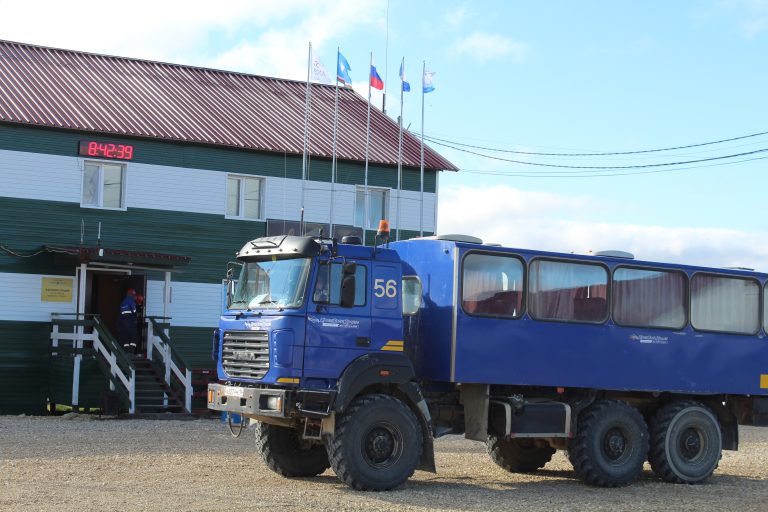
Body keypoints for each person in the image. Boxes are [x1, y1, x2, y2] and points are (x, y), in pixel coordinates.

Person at [118, 288, 138, 354]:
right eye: (134, 295)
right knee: (134, 335)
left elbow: (121, 312)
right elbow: (134, 311)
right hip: (130, 321)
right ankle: (131, 349)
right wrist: (136, 319)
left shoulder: (123, 301)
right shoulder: (131, 301)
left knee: (125, 335)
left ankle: (126, 349)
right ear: (132, 294)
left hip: (123, 321)